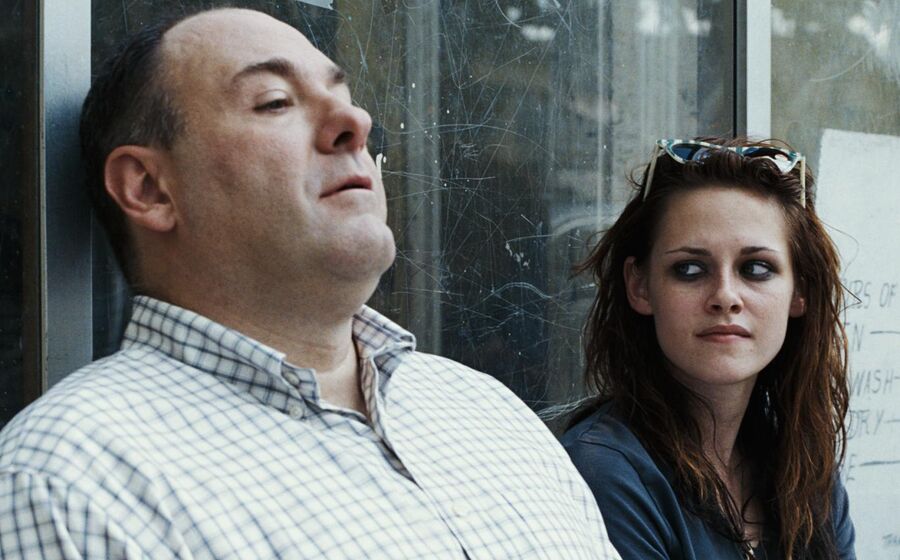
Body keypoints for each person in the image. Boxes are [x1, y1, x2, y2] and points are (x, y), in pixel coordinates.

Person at [0, 8, 621, 559]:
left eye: (344, 94)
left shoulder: (484, 411)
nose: (355, 120)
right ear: (149, 188)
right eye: (275, 102)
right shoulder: (73, 486)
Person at [561, 137, 856, 560]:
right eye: (690, 269)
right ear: (640, 286)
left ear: (800, 290)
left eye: (756, 268)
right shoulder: (605, 472)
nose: (725, 297)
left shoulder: (804, 467)